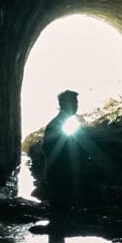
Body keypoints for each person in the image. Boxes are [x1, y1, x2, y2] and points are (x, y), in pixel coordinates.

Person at [42, 90, 82, 224]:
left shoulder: (57, 123)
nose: (77, 106)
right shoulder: (61, 125)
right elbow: (64, 152)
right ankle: (57, 236)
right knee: (60, 210)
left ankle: (56, 237)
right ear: (66, 104)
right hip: (61, 174)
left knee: (59, 211)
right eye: (75, 102)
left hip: (57, 173)